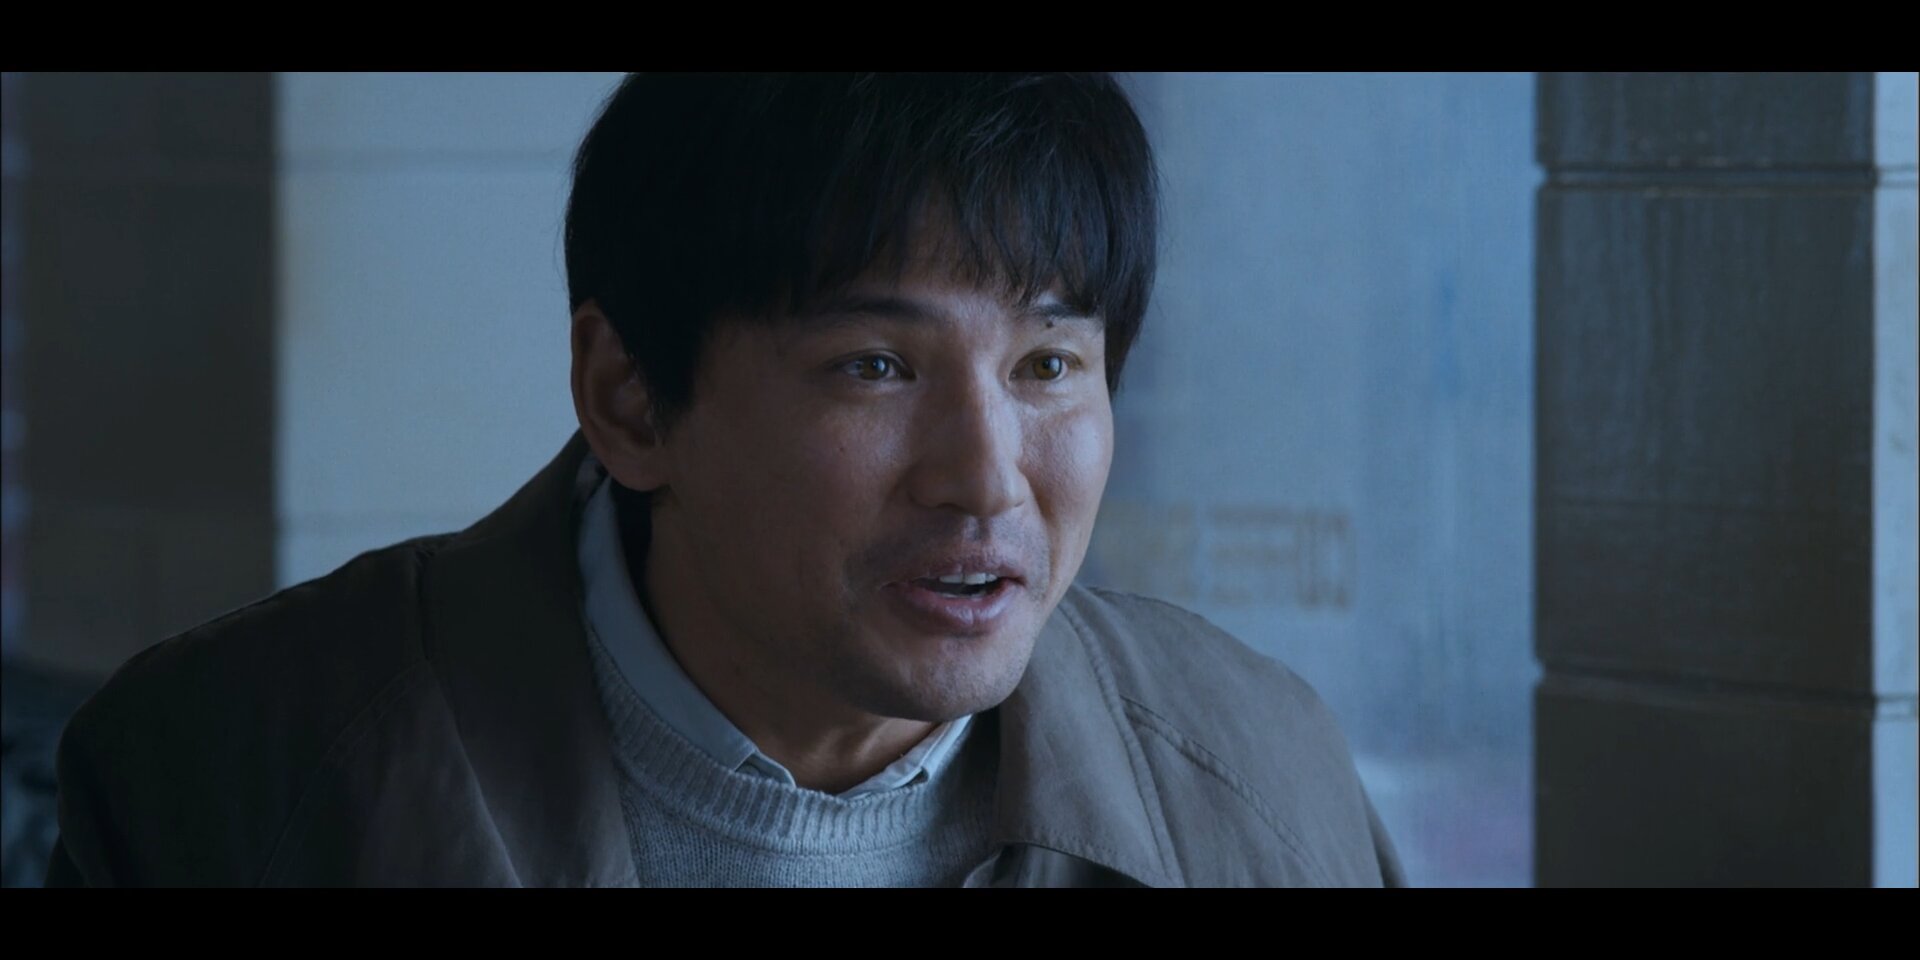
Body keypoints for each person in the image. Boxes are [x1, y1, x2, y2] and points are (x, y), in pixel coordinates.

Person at [47, 73, 1405, 887]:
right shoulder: (237, 773)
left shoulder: (1258, 778)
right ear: (629, 399)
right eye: (877, 365)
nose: (986, 481)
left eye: (1048, 366)